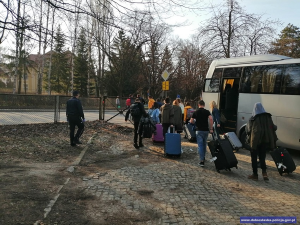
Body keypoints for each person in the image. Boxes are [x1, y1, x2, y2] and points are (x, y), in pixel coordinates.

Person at [245, 102, 277, 181]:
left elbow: (249, 130)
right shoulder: (268, 117)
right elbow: (274, 127)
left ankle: (255, 175)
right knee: (262, 158)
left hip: (255, 142)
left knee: (254, 158)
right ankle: (264, 173)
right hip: (265, 141)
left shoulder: (253, 118)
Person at [190, 100, 213, 167]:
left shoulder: (196, 112)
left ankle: (201, 160)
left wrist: (194, 123)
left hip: (199, 130)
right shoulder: (207, 111)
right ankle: (203, 156)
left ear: (198, 105)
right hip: (206, 130)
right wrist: (211, 128)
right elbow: (211, 119)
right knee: (204, 144)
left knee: (200, 145)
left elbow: (191, 121)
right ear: (204, 105)